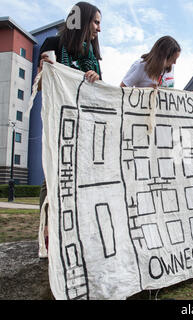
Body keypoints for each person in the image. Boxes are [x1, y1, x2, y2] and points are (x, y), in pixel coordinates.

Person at [37, 1, 103, 251]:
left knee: (80, 178)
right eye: (96, 22)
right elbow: (42, 85)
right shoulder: (53, 45)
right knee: (53, 174)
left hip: (85, 127)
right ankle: (48, 232)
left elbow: (100, 95)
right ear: (83, 20)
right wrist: (46, 71)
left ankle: (76, 231)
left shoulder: (93, 58)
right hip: (59, 122)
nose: (99, 28)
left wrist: (96, 80)